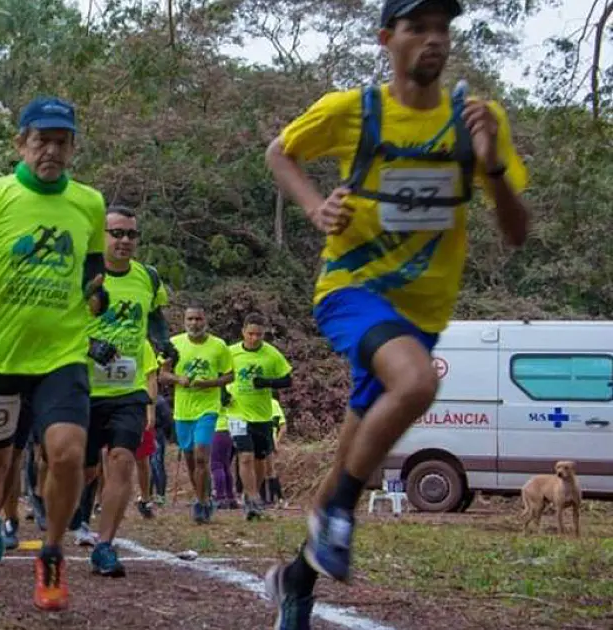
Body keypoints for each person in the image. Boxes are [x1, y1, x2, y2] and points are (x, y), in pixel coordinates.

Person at [261, 0, 529, 625]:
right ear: (388, 39)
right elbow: (280, 152)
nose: (433, 39)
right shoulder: (354, 110)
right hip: (352, 289)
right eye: (417, 28)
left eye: (443, 28)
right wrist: (311, 207)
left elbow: (516, 233)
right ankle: (338, 515)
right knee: (414, 383)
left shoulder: (477, 120)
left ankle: (295, 580)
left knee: (349, 463)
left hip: (422, 313)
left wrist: (489, 162)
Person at [0, 96, 107, 611]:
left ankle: (51, 552)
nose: (51, 150)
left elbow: (92, 269)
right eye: (41, 140)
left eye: (61, 141)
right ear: (20, 143)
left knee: (69, 452)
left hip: (62, 354)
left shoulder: (88, 203)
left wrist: (99, 291)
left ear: (73, 147)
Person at [81, 204, 173, 576]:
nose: (124, 241)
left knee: (121, 459)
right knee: (82, 470)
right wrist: (91, 347)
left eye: (131, 234)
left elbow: (154, 316)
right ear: (100, 235)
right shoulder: (85, 276)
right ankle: (72, 510)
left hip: (129, 388)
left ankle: (104, 545)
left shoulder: (147, 277)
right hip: (82, 387)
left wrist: (164, 342)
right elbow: (57, 323)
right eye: (116, 233)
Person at [159, 306, 234, 523]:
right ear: (184, 321)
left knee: (202, 455)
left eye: (198, 319)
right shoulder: (174, 344)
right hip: (183, 411)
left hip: (208, 408)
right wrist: (178, 379)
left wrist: (209, 383)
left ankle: (201, 504)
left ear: (205, 320)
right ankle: (203, 497)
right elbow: (162, 375)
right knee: (191, 459)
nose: (194, 323)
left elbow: (230, 376)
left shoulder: (218, 346)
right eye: (190, 319)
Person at [224, 313, 292, 519]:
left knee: (261, 461)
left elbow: (287, 380)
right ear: (243, 331)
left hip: (262, 415)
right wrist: (222, 394)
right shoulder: (230, 352)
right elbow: (220, 375)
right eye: (251, 334)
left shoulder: (272, 354)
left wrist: (267, 382)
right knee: (245, 456)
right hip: (236, 413)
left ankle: (249, 493)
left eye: (259, 335)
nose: (254, 338)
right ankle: (254, 499)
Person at [134, 351, 160, 519]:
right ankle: (102, 499)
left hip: (138, 406)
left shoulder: (142, 343)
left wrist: (150, 410)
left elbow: (151, 377)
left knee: (142, 458)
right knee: (108, 455)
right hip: (109, 401)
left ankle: (145, 498)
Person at [265, 398, 288, 505]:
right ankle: (277, 499)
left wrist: (276, 442)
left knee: (266, 469)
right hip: (270, 438)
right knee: (269, 469)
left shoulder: (272, 403)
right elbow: (283, 426)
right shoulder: (274, 403)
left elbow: (283, 426)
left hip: (265, 437)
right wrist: (277, 441)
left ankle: (273, 499)